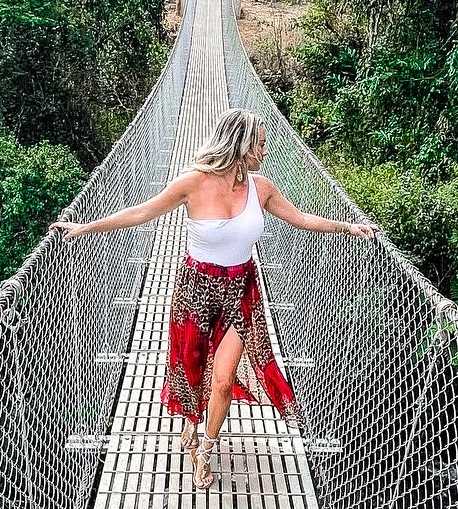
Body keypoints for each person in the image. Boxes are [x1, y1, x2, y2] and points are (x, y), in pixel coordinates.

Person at [53, 108, 377, 487]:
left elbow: (301, 219)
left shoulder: (262, 188)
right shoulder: (194, 182)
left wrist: (350, 227)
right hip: (196, 290)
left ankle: (205, 449)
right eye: (260, 144)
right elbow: (143, 213)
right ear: (240, 146)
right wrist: (85, 228)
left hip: (241, 291)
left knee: (222, 380)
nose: (265, 152)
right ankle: (193, 422)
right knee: (190, 374)